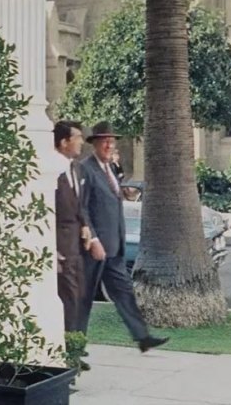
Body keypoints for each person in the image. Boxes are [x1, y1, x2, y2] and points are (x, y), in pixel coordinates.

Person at [78, 121, 169, 352]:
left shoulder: (110, 169)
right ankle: (75, 346)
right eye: (104, 141)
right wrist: (94, 240)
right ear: (95, 144)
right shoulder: (85, 169)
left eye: (111, 141)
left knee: (124, 292)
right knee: (84, 298)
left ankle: (142, 337)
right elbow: (82, 208)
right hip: (96, 249)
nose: (109, 145)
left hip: (115, 247)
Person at [53, 121, 89, 333]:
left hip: (76, 245)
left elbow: (79, 203)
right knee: (69, 297)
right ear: (64, 141)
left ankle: (75, 344)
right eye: (77, 137)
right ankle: (68, 348)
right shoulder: (53, 170)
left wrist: (84, 225)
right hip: (62, 246)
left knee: (80, 295)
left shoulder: (75, 168)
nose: (81, 142)